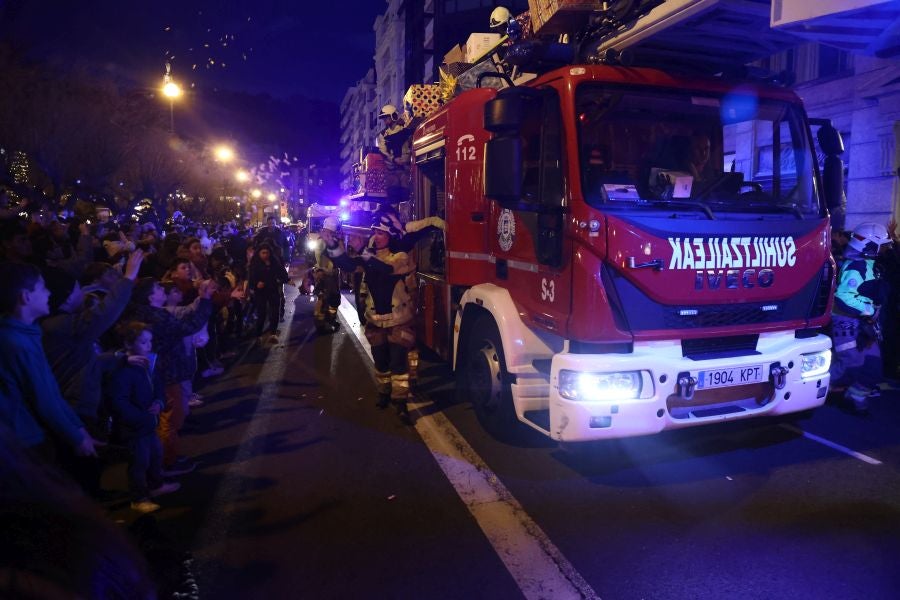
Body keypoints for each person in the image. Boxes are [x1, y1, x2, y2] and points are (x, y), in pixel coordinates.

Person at [0, 262, 104, 462]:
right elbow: (43, 397)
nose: (49, 293)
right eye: (42, 287)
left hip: (29, 433)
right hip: (22, 439)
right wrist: (76, 436)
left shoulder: (28, 331)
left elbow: (50, 391)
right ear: (25, 297)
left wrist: (78, 428)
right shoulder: (16, 342)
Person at [323, 215, 417, 423]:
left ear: (391, 236)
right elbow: (347, 264)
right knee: (381, 361)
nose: (377, 236)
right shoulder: (370, 256)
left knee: (398, 364)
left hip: (398, 320)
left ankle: (401, 403)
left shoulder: (401, 256)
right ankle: (384, 393)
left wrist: (363, 251)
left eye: (382, 233)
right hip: (375, 320)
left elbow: (386, 269)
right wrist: (332, 244)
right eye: (376, 232)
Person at [127, 277, 215, 474]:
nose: (162, 290)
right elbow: (189, 326)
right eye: (158, 287)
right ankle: (167, 462)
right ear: (150, 296)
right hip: (166, 373)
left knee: (170, 415)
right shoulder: (156, 317)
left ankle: (166, 458)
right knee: (171, 417)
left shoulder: (152, 313)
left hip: (163, 371)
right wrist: (206, 299)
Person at [107, 321, 180, 513]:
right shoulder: (122, 371)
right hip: (135, 428)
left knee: (156, 455)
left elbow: (157, 386)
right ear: (128, 345)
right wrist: (141, 418)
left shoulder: (149, 363)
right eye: (143, 342)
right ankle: (138, 498)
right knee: (139, 462)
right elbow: (119, 402)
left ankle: (156, 485)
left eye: (150, 342)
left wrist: (159, 402)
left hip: (149, 425)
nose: (149, 346)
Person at [830, 221, 893, 413]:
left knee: (873, 367)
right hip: (846, 323)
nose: (885, 249)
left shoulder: (869, 264)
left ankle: (855, 399)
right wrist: (870, 310)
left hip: (863, 325)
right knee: (850, 365)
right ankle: (815, 388)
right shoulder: (857, 267)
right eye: (882, 245)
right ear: (869, 245)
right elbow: (843, 296)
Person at [248, 242, 290, 342]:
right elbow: (251, 278)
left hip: (273, 289)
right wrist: (255, 284)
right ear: (259, 253)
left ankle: (273, 333)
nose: (265, 255)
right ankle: (258, 334)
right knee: (261, 313)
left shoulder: (274, 262)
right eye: (263, 253)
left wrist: (285, 280)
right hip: (261, 292)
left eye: (267, 253)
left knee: (274, 311)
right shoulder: (255, 264)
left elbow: (282, 273)